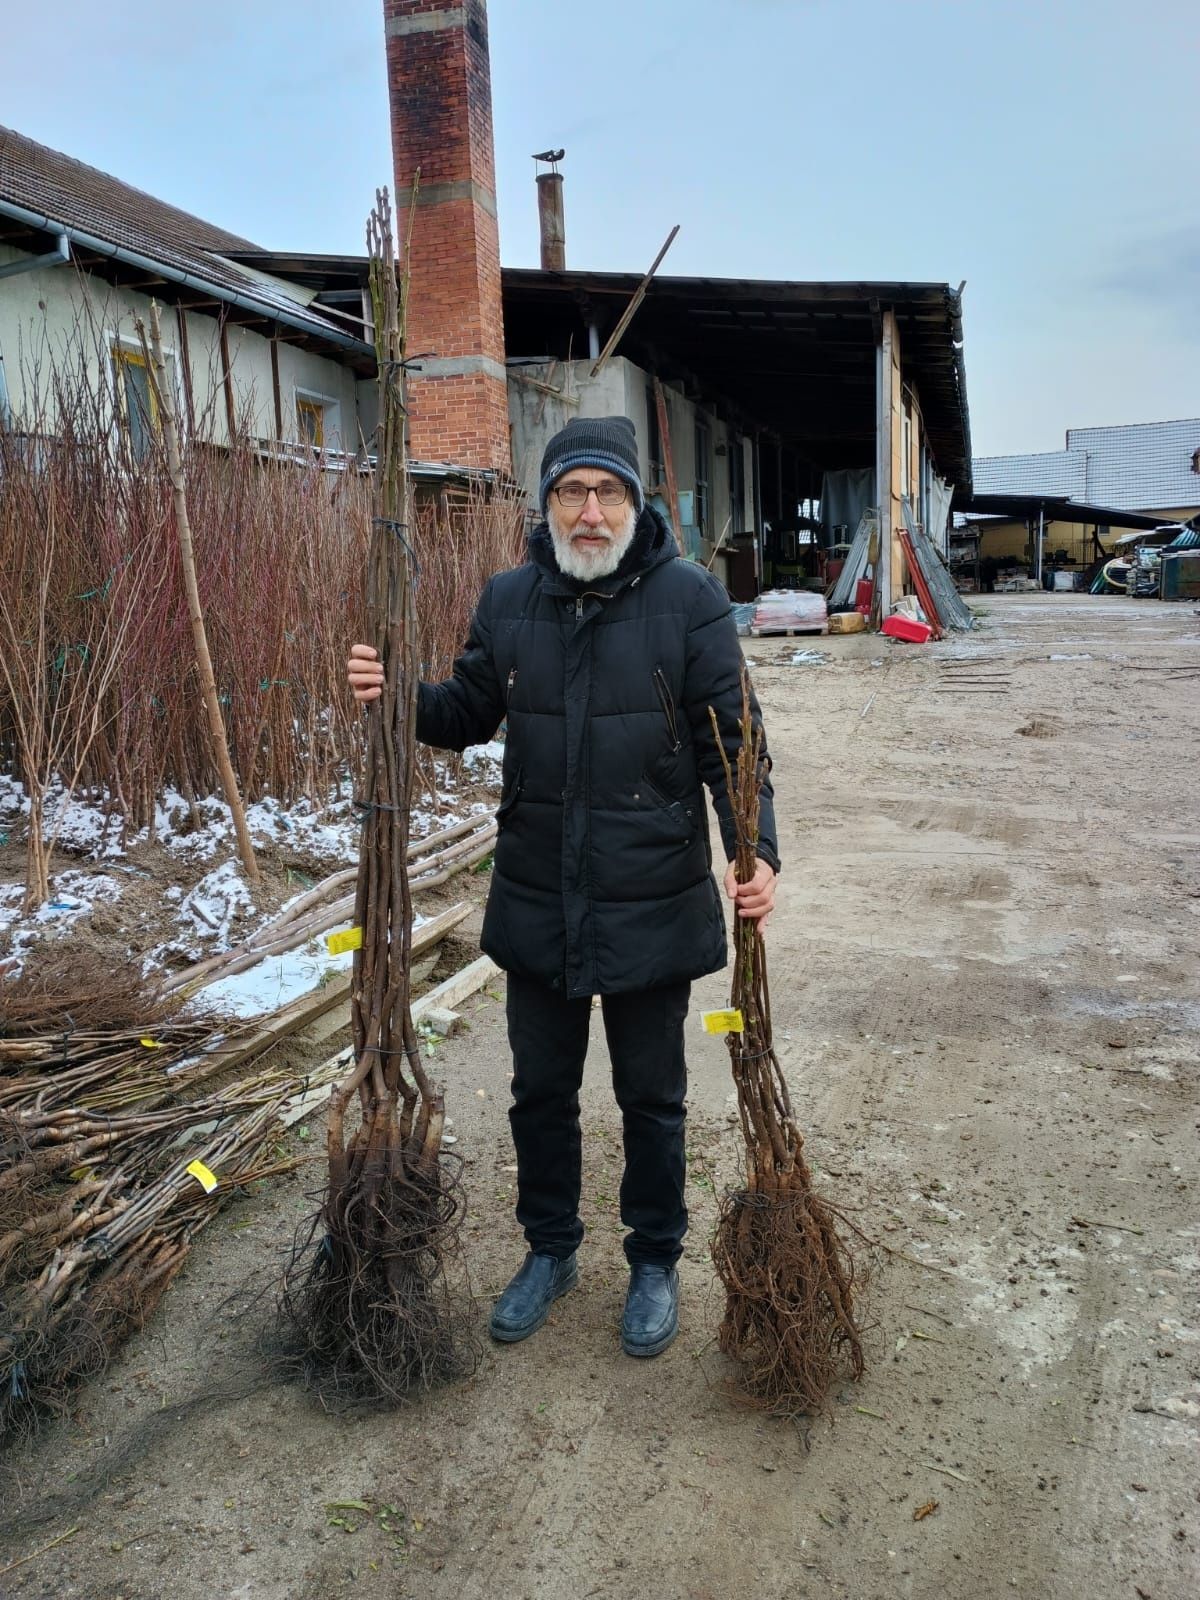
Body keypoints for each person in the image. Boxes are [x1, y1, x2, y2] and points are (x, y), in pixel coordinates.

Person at [347, 415, 778, 1358]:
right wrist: (396, 695)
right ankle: (550, 1250)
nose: (589, 512)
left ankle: (654, 1260)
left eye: (608, 493)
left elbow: (734, 744)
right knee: (538, 1091)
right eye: (570, 494)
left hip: (652, 896)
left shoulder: (690, 599)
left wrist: (758, 855)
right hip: (540, 892)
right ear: (545, 508)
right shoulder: (510, 600)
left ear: (634, 503)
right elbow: (464, 711)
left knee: (651, 1096)